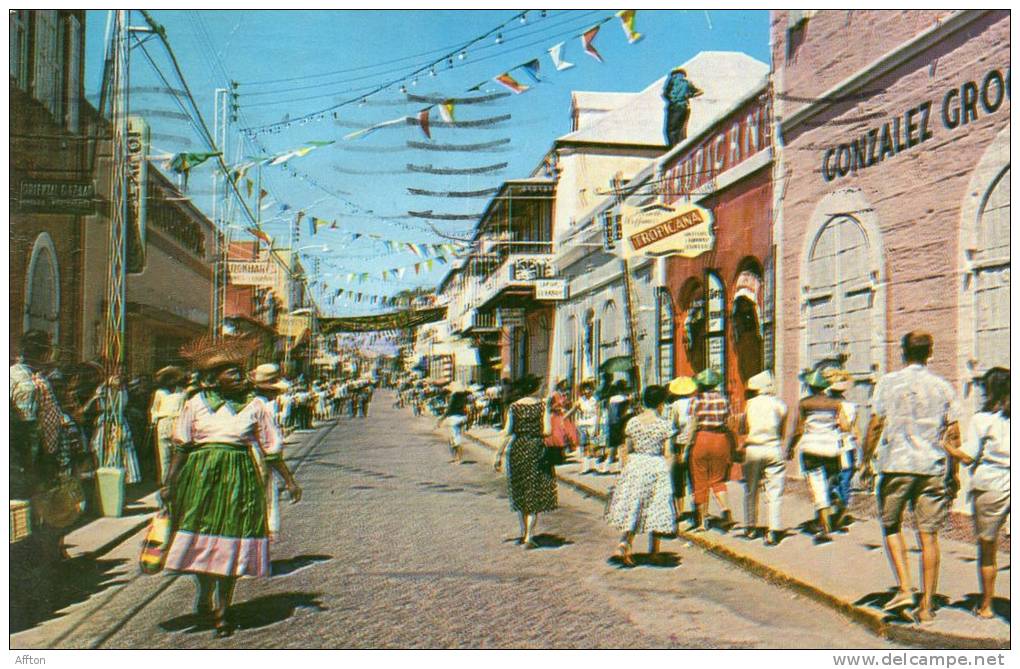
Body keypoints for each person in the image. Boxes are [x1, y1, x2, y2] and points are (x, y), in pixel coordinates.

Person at [162, 336, 302, 638]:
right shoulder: (195, 404)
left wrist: (289, 480)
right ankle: (204, 589)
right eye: (232, 372)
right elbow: (182, 446)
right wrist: (169, 483)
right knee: (200, 542)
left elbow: (271, 448)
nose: (239, 376)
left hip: (240, 479)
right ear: (215, 378)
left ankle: (222, 610)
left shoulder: (257, 406)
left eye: (240, 371)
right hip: (199, 479)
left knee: (229, 546)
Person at [863, 331, 960, 623]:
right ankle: (927, 606)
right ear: (930, 353)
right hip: (931, 467)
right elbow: (953, 434)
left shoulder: (888, 383)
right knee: (929, 536)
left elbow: (876, 425)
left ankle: (905, 587)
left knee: (892, 525)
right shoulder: (943, 387)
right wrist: (953, 472)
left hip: (896, 464)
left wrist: (864, 459)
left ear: (903, 353)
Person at [942, 367, 1009, 620]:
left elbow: (968, 456)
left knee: (988, 548)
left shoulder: (982, 419)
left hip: (991, 483)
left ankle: (987, 605)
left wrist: (947, 446)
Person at [605, 385, 677, 566]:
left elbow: (627, 449)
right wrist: (668, 472)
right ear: (661, 403)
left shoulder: (632, 422)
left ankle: (625, 542)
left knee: (634, 506)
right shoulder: (665, 425)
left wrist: (626, 469)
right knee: (656, 507)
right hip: (655, 464)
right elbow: (668, 452)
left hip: (636, 465)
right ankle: (654, 551)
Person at [492, 375, 557, 549]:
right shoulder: (542, 406)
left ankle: (524, 533)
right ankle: (529, 536)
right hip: (536, 449)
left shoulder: (514, 407)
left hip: (518, 449)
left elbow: (507, 433)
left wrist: (498, 455)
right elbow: (548, 431)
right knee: (533, 492)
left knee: (521, 491)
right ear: (534, 388)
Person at [789, 368, 845, 544]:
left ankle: (824, 528)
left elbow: (798, 429)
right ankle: (829, 513)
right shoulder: (836, 404)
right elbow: (843, 425)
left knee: (818, 487)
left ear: (810, 386)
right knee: (828, 485)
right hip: (831, 449)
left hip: (811, 449)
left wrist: (790, 447)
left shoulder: (804, 403)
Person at [248, 363, 300, 542]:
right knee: (263, 508)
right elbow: (272, 450)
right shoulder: (265, 408)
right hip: (260, 464)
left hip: (244, 464)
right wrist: (289, 481)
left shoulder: (249, 403)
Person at [737, 371, 788, 546]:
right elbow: (782, 431)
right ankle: (774, 530)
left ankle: (751, 527)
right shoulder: (780, 405)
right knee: (774, 491)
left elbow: (742, 428)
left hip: (754, 449)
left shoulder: (749, 405)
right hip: (773, 448)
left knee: (751, 490)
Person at [688, 368, 735, 532]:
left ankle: (702, 522)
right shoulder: (724, 400)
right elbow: (729, 422)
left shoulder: (696, 400)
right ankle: (725, 510)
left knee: (700, 480)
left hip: (702, 437)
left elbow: (692, 424)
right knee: (718, 479)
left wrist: (687, 445)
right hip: (720, 439)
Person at [826, 367, 861, 528]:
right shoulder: (851, 406)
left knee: (830, 478)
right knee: (845, 479)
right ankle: (842, 510)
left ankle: (831, 510)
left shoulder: (825, 405)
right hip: (847, 445)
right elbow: (855, 429)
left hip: (831, 445)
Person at [150, 366, 187, 484]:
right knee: (164, 454)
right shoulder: (160, 393)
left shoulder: (183, 393)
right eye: (168, 379)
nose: (171, 381)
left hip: (177, 422)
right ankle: (165, 481)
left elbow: (186, 409)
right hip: (163, 423)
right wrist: (154, 421)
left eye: (173, 378)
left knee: (177, 453)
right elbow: (154, 409)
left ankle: (176, 480)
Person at [667, 376, 697, 520]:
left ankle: (680, 511)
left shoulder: (676, 405)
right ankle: (697, 509)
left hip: (679, 444)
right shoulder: (695, 402)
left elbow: (672, 426)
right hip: (694, 443)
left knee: (678, 479)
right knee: (693, 478)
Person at [661, 66, 703, 146]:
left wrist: (671, 98)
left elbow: (665, 93)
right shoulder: (687, 82)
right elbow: (700, 91)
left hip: (674, 107)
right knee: (681, 128)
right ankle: (680, 145)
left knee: (671, 129)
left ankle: (673, 146)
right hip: (684, 106)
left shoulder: (672, 81)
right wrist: (688, 95)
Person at [436, 382, 470, 464]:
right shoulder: (464, 396)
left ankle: (458, 458)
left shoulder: (454, 397)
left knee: (454, 438)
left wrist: (441, 419)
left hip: (455, 419)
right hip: (462, 418)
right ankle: (458, 457)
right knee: (456, 437)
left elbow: (449, 410)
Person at [602, 380, 632, 474]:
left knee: (612, 446)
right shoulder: (625, 399)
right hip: (621, 423)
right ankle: (621, 466)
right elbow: (626, 412)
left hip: (612, 423)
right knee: (621, 445)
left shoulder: (612, 399)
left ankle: (606, 466)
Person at [573, 380, 602, 474]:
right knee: (584, 446)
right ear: (582, 390)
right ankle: (586, 467)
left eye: (589, 389)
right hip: (583, 424)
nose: (587, 391)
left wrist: (597, 426)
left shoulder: (595, 399)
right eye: (585, 389)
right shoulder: (580, 400)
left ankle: (597, 466)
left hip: (593, 424)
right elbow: (573, 410)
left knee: (595, 446)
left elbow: (598, 413)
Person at [546, 378, 579, 455]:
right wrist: (559, 409)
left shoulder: (563, 394)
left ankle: (565, 449)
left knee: (568, 432)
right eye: (564, 384)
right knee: (558, 434)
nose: (565, 385)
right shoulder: (554, 395)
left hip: (562, 416)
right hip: (555, 417)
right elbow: (549, 408)